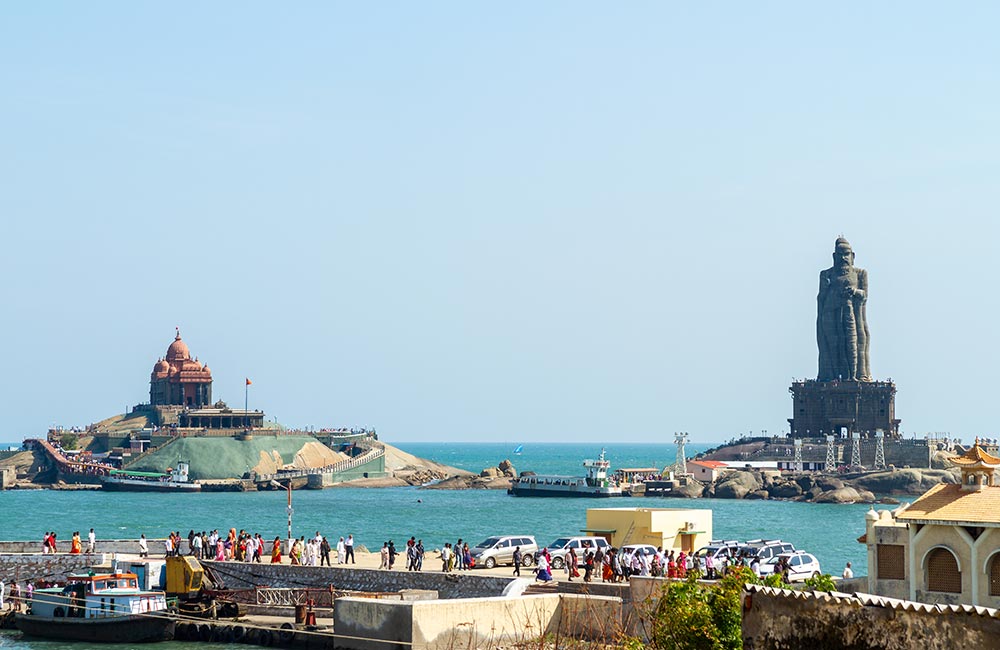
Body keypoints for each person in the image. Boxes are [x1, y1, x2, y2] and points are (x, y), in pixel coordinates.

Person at [817, 237, 871, 382]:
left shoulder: (860, 274)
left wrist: (854, 291)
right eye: (840, 255)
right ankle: (831, 376)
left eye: (846, 254)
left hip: (854, 316)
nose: (843, 258)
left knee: (856, 346)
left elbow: (864, 295)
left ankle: (857, 376)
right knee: (832, 348)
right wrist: (829, 289)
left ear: (852, 256)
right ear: (834, 257)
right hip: (831, 316)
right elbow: (821, 299)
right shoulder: (827, 274)